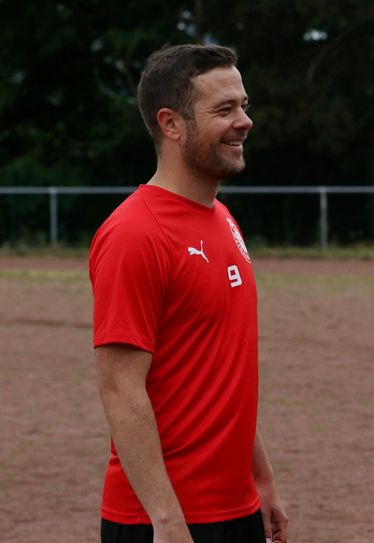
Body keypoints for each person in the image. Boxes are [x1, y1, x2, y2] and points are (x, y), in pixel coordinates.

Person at [89, 44, 288, 543]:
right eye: (224, 109)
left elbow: (224, 374)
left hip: (234, 508)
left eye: (244, 105)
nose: (244, 121)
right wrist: (167, 519)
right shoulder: (135, 233)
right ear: (171, 124)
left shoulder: (222, 218)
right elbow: (120, 387)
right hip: (167, 521)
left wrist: (260, 480)